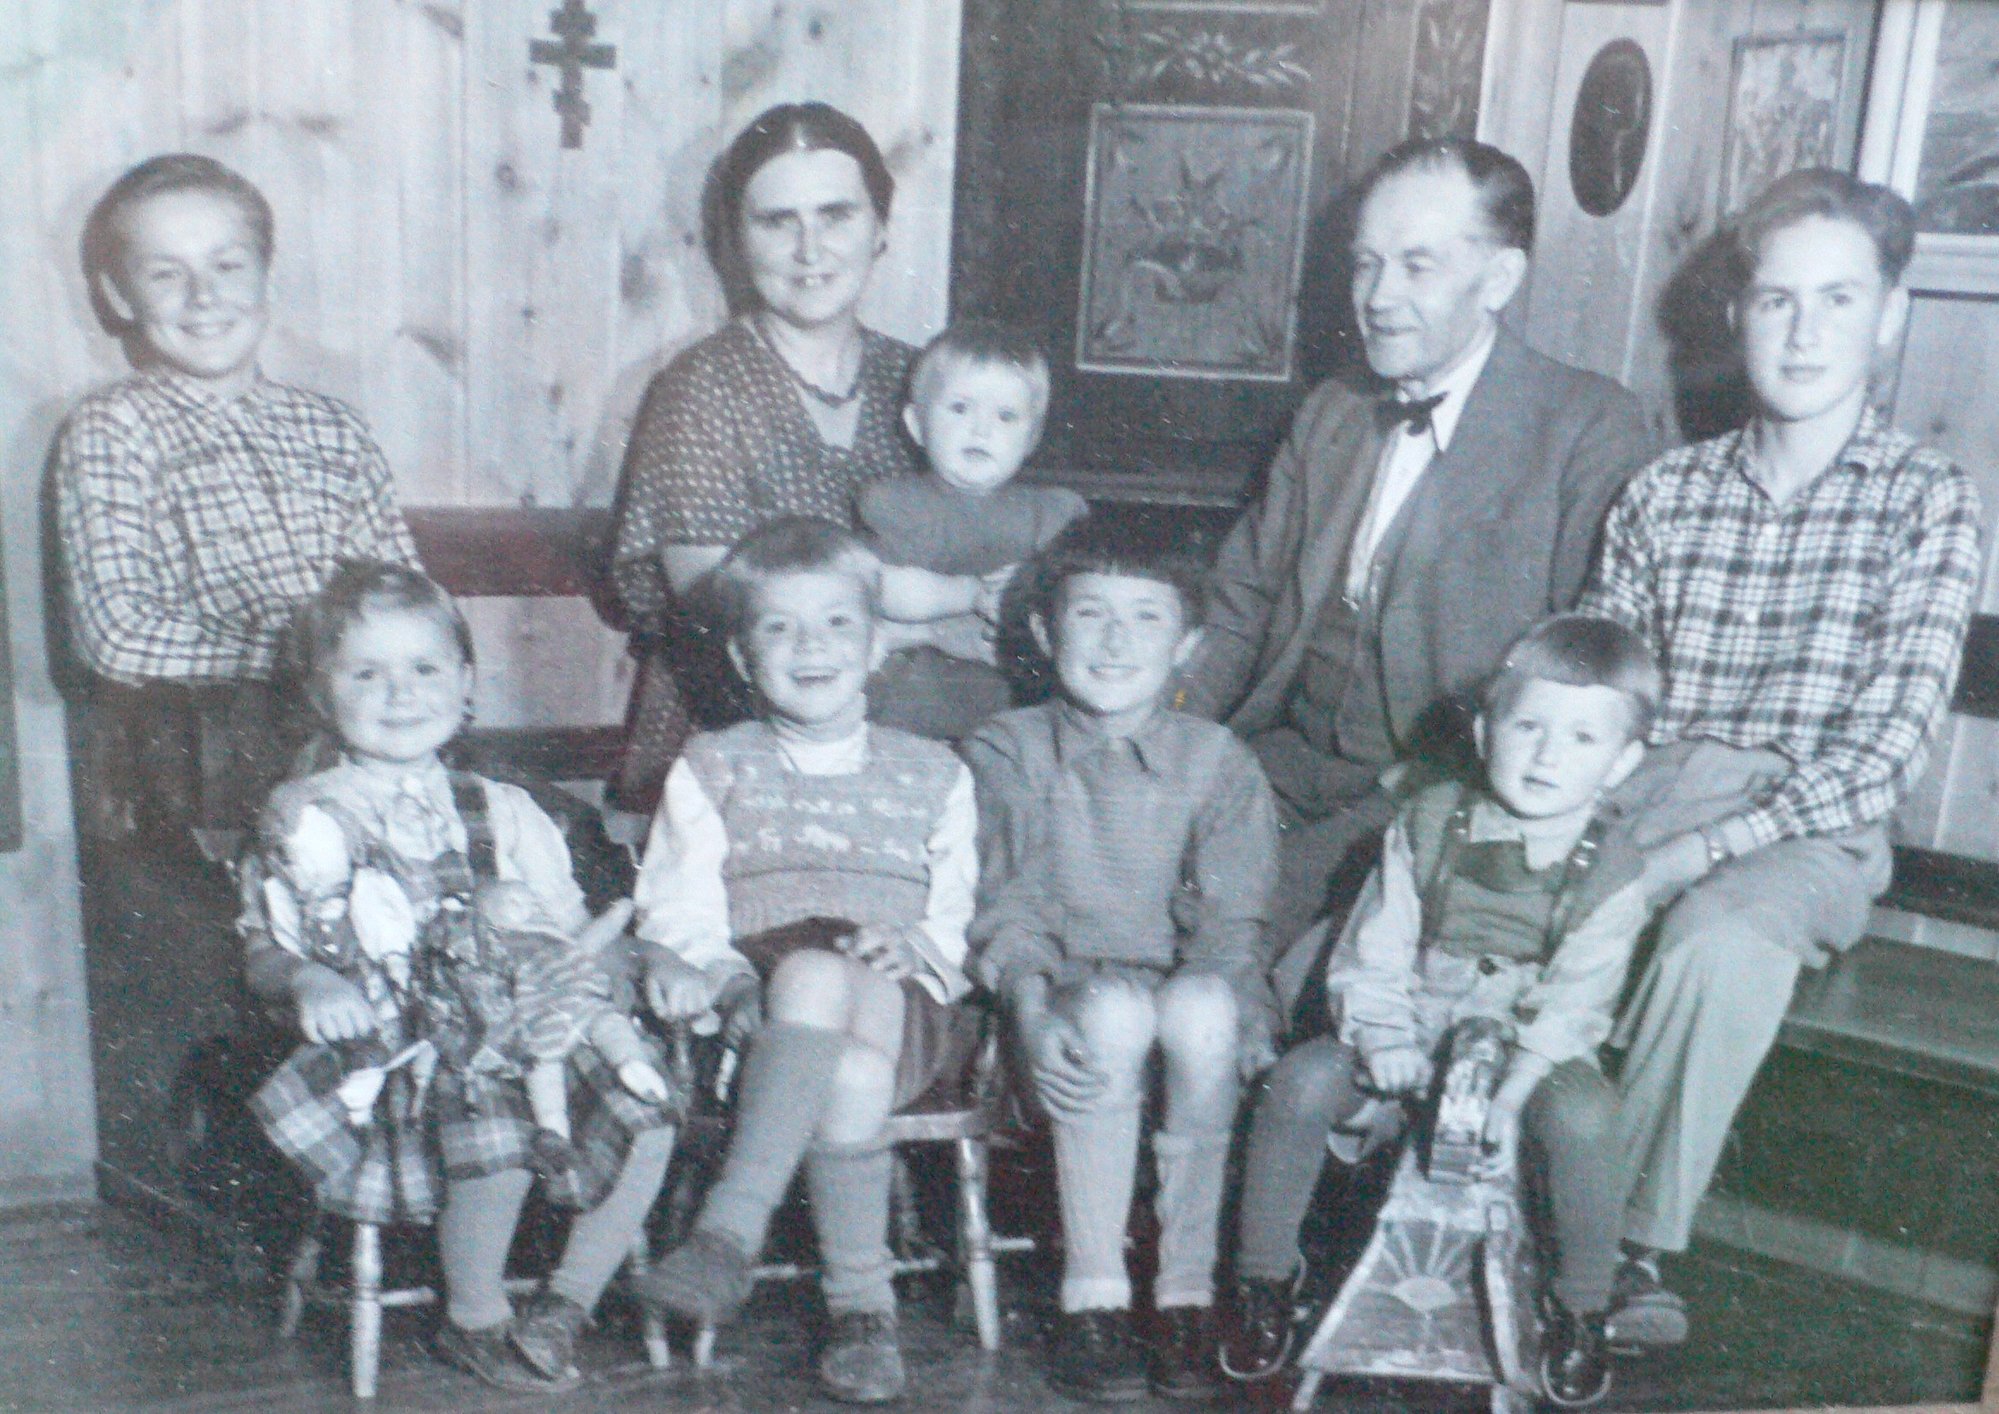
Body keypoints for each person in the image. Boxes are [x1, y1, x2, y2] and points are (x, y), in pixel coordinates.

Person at [1580, 168, 1983, 1348]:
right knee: (1506, 885)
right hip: (1652, 787)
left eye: (1837, 300)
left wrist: (1702, 850)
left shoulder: (1925, 500)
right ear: (1736, 315)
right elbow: (1602, 691)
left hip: (1807, 825)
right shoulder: (1663, 491)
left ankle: (1612, 1249)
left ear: (1888, 315)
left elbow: (1883, 752)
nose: (1803, 334)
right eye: (1775, 301)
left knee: (1714, 941)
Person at [1177, 137, 1655, 1022]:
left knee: (1240, 962)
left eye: (1415, 266)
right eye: (1365, 264)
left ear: (1499, 279)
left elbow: (1581, 676)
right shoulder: (1331, 411)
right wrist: (1166, 742)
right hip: (1271, 761)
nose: (1376, 296)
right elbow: (1238, 607)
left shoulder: (1586, 428)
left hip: (1433, 793)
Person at [242, 562, 676, 1392]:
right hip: (395, 1041)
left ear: (466, 683)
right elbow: (266, 946)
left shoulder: (503, 808)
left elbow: (564, 930)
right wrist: (307, 982)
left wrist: (600, 969)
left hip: (520, 1019)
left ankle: (564, 1307)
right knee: (496, 1126)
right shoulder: (306, 814)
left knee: (647, 1114)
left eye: (424, 668)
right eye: (366, 673)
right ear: (320, 692)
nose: (400, 693)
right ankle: (475, 1318)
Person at [1220, 615, 1660, 1407]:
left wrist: (1513, 1091)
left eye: (1581, 738)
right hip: (1412, 1027)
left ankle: (1581, 1306)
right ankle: (1263, 1280)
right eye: (1526, 727)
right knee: (1301, 1082)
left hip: (1528, 1047)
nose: (1546, 755)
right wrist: (1384, 1037)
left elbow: (1577, 998)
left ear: (1622, 762)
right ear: (1485, 732)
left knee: (1587, 1117)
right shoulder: (1424, 822)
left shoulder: (1615, 867)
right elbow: (1375, 948)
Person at [628, 518, 978, 1406]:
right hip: (760, 1014)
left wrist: (915, 944)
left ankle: (729, 1231)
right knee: (845, 1070)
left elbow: (957, 915)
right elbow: (678, 906)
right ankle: (864, 1315)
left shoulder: (936, 771)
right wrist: (725, 980)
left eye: (836, 623)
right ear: (742, 657)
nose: (809, 646)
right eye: (778, 627)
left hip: (902, 999)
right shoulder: (713, 763)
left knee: (821, 977)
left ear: (877, 644)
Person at [608, 103, 1002, 812]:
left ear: (880, 228)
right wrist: (935, 627)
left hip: (923, 734)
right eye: (777, 221)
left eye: (836, 215)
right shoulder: (700, 391)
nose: (810, 249)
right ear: (737, 240)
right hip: (744, 744)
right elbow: (728, 617)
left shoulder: (926, 381)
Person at [965, 536, 1279, 1403]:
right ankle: (1093, 1298)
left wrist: (1236, 1013)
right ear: (1043, 632)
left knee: (1204, 1006)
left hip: (1179, 1011)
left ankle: (1185, 1295)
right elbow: (1010, 906)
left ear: (1186, 647)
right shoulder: (1008, 747)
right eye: (1089, 614)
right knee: (1110, 1011)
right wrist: (1031, 1011)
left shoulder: (1217, 759)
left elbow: (1230, 927)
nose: (1114, 641)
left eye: (1145, 619)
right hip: (1053, 1009)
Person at [54, 154, 419, 846]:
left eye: (227, 266)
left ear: (265, 277)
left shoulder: (333, 427)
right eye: (166, 274)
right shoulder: (114, 427)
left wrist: (393, 668)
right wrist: (305, 655)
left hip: (363, 733)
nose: (203, 296)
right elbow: (115, 635)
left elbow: (405, 598)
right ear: (119, 296)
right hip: (215, 758)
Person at [859, 318, 1089, 740]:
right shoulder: (900, 504)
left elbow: (1074, 601)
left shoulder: (1049, 514)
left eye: (1006, 416)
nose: (981, 429)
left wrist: (1029, 590)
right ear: (917, 425)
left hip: (1016, 708)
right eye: (960, 408)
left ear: (1031, 439)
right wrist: (971, 594)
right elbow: (878, 586)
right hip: (913, 702)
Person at [471, 880, 671, 1179]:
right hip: (540, 1017)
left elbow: (594, 938)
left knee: (611, 1024)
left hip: (583, 1002)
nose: (530, 905)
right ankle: (553, 1131)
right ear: (489, 919)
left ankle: (632, 1064)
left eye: (532, 899)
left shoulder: (557, 939)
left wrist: (618, 914)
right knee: (541, 1067)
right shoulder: (499, 949)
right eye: (514, 901)